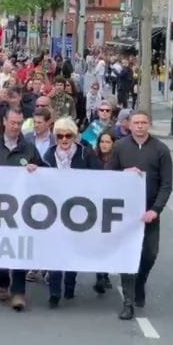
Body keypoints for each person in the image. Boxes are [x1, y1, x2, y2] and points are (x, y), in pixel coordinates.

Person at [0, 108, 43, 311]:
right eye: (12, 122)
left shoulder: (28, 148)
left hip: (20, 208)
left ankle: (19, 292)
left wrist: (36, 170)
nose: (15, 127)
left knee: (18, 247)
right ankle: (2, 281)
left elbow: (43, 173)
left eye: (19, 123)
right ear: (4, 122)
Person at [108, 110, 173, 320]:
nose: (140, 126)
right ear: (129, 124)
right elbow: (107, 175)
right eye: (136, 122)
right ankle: (128, 302)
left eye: (144, 122)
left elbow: (166, 184)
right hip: (126, 214)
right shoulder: (119, 147)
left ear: (149, 124)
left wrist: (156, 209)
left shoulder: (161, 150)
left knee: (149, 253)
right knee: (129, 256)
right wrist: (122, 174)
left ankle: (140, 281)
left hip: (150, 213)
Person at [42, 117, 103, 307]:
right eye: (60, 136)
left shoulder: (86, 154)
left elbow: (101, 178)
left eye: (68, 135)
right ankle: (54, 292)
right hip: (54, 211)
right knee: (55, 251)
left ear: (75, 136)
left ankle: (70, 283)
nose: (64, 139)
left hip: (78, 210)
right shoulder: (48, 156)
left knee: (73, 248)